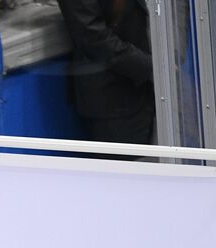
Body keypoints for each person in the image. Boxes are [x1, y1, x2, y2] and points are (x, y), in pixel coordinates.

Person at [54, 0, 154, 146]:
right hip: (114, 98)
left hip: (155, 87)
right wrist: (148, 67)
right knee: (126, 167)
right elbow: (92, 35)